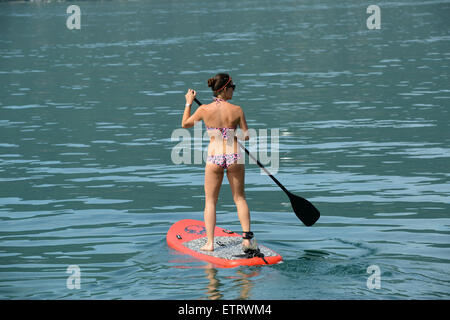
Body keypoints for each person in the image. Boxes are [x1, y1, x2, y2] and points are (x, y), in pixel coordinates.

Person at [181, 73, 258, 253]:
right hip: (234, 157)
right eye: (232, 87)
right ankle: (247, 240)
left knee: (210, 201)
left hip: (214, 158)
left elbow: (185, 124)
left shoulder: (204, 110)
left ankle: (209, 243)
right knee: (239, 198)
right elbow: (246, 135)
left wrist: (189, 102)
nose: (234, 91)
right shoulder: (237, 109)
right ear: (224, 89)